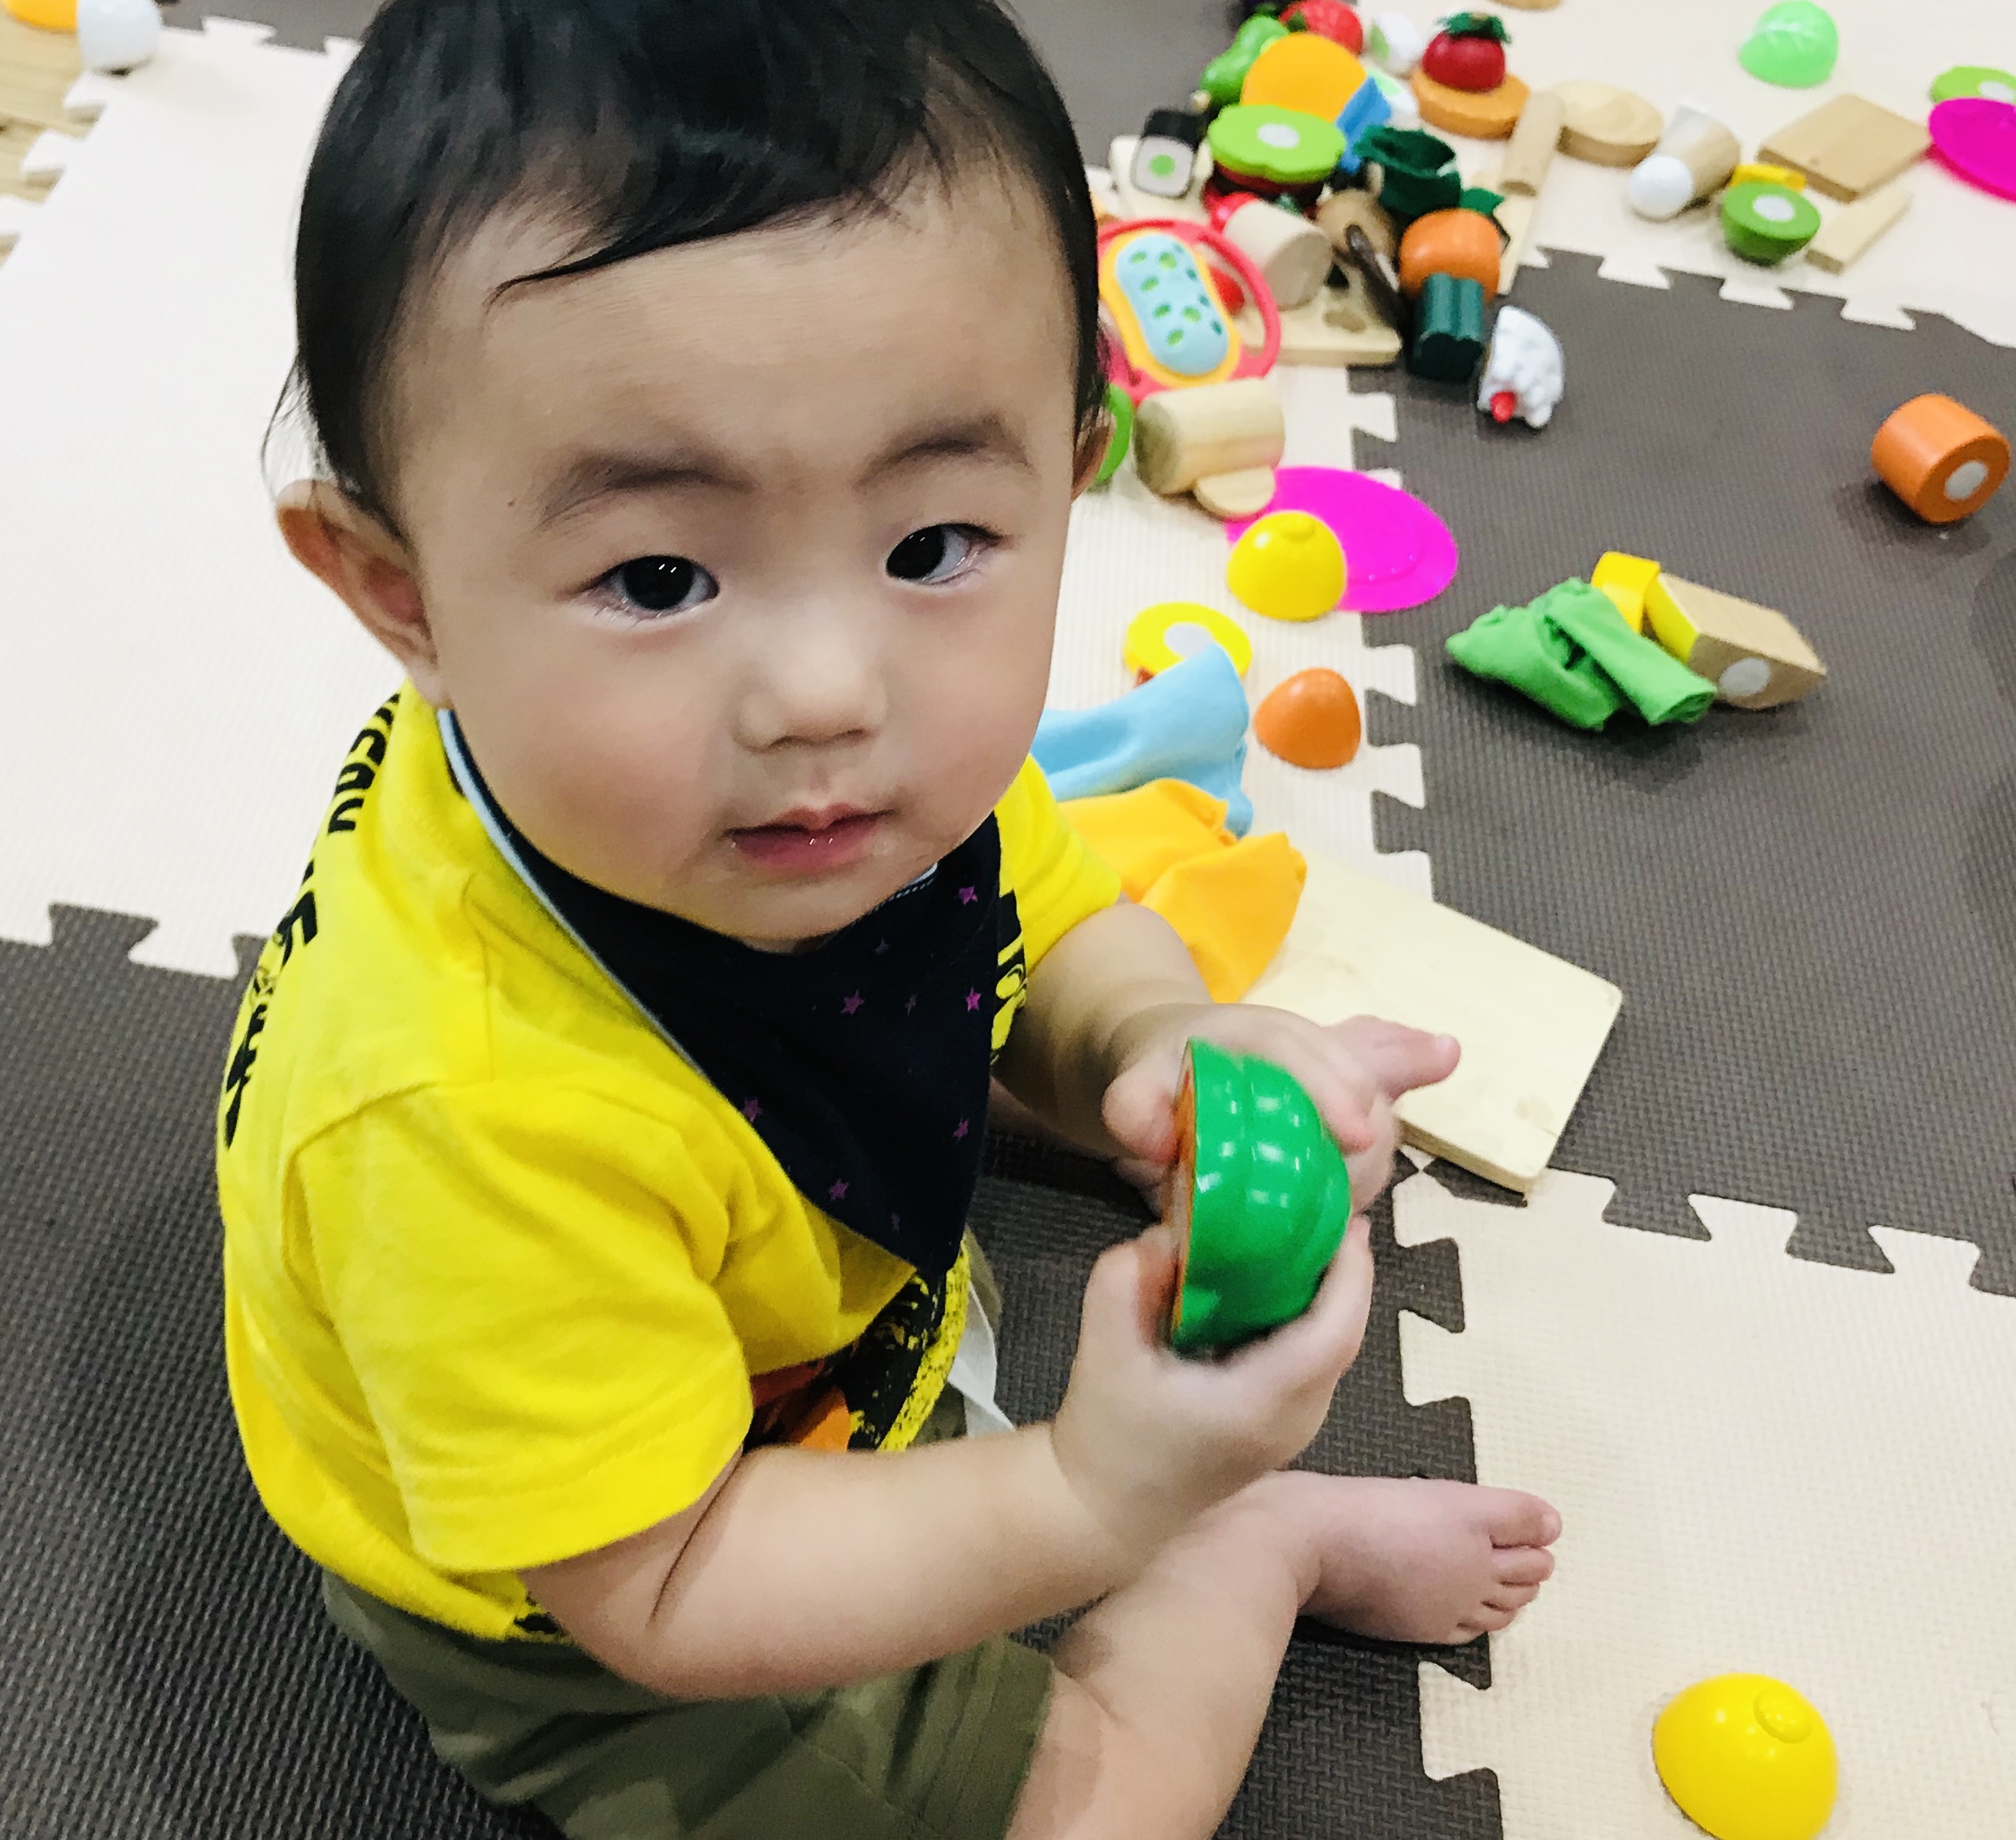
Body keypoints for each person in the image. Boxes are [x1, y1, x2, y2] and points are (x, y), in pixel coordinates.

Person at [216, 2, 1561, 1835]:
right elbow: (665, 1583)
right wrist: (1105, 1499)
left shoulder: (803, 789)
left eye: (932, 546)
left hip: (765, 1328)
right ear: (403, 595)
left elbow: (1049, 919)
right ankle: (1257, 1552)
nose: (828, 693)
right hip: (596, 1584)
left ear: (1070, 466)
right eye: (658, 576)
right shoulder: (465, 1114)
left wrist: (1156, 1043)